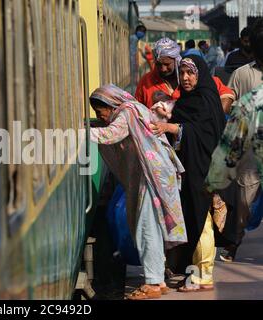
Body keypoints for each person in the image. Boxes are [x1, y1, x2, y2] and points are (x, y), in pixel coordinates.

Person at [89, 84, 187, 300]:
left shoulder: (127, 112)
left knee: (146, 228)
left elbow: (113, 134)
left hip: (150, 176)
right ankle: (158, 279)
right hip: (156, 173)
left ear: (110, 104)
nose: (102, 116)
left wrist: (77, 133)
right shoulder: (133, 108)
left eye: (100, 111)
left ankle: (152, 283)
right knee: (152, 226)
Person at [150, 55, 226, 292]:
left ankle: (203, 276)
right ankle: (194, 272)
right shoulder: (187, 100)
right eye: (181, 73)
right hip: (191, 169)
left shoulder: (205, 99)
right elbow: (185, 119)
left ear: (200, 74)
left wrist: (169, 126)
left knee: (201, 220)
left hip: (204, 170)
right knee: (193, 219)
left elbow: (200, 131)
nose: (185, 78)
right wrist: (168, 114)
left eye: (190, 73)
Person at [206, 18, 263, 262]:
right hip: (250, 152)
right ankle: (235, 242)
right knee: (244, 202)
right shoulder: (242, 74)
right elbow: (227, 103)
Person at [135, 38, 234, 112]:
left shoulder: (193, 76)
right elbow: (137, 111)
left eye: (167, 64)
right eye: (158, 64)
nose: (163, 69)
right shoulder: (146, 82)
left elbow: (226, 95)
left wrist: (209, 117)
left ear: (176, 60)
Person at [130, 25, 147, 93]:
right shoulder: (134, 39)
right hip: (132, 62)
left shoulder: (134, 38)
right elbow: (132, 53)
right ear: (137, 31)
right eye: (141, 32)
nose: (142, 34)